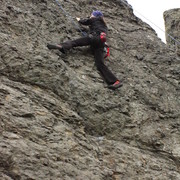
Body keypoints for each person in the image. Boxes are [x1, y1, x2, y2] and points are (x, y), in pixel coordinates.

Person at [47, 10, 122, 90]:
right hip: (101, 43)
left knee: (75, 42)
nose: (90, 16)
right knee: (100, 64)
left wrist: (78, 19)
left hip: (93, 38)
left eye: (91, 14)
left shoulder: (95, 19)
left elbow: (85, 21)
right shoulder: (104, 25)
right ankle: (115, 81)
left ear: (95, 16)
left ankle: (61, 46)